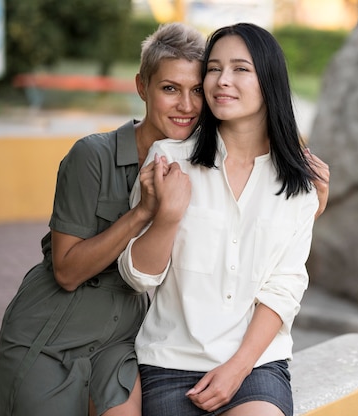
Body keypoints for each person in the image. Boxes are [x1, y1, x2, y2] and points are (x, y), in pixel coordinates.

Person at [0, 23, 207, 416]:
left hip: (119, 339)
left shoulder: (201, 168)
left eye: (196, 90)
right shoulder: (91, 156)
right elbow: (67, 271)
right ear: (142, 87)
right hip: (49, 336)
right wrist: (142, 212)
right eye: (170, 89)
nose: (186, 106)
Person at [118, 23, 323, 416]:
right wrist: (165, 217)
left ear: (269, 80)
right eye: (213, 68)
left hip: (256, 366)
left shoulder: (299, 182)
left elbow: (284, 288)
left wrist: (236, 368)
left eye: (240, 69)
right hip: (171, 362)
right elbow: (137, 278)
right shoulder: (169, 160)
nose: (222, 81)